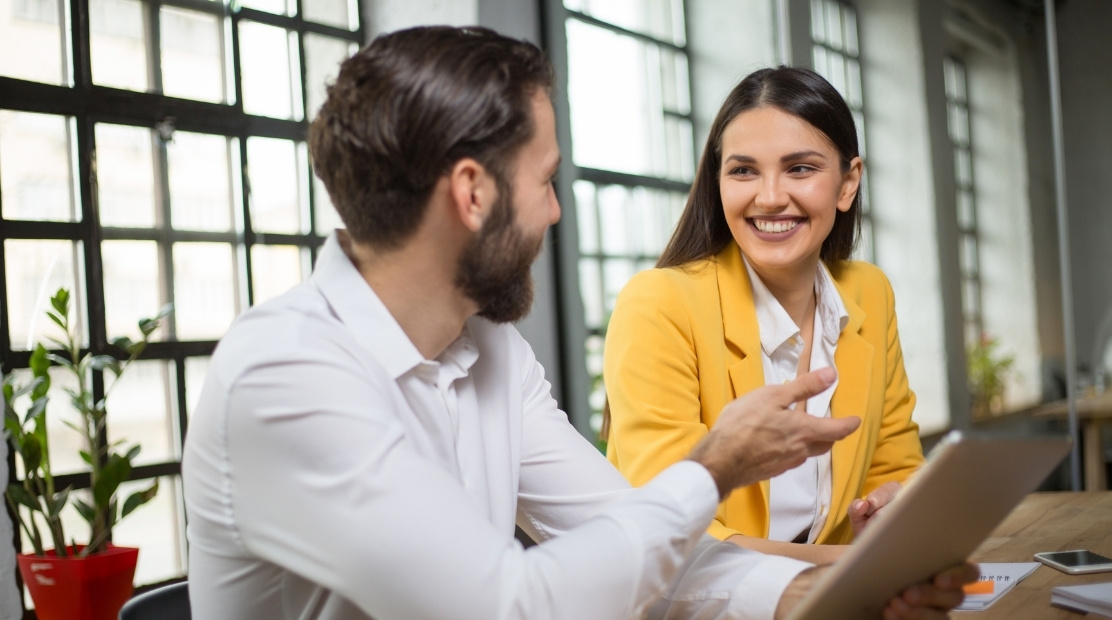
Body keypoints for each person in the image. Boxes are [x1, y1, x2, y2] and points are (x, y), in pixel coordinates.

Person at [182, 27, 973, 619]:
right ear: (473, 193)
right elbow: (511, 606)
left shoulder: (491, 351)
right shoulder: (283, 374)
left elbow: (640, 548)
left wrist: (835, 589)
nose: (557, 212)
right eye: (547, 181)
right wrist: (714, 468)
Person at [604, 67, 923, 566]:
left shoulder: (869, 293)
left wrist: (887, 506)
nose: (770, 196)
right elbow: (671, 529)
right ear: (718, 182)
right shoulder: (658, 305)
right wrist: (852, 566)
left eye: (800, 168)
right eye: (743, 170)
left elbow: (896, 461)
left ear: (848, 182)